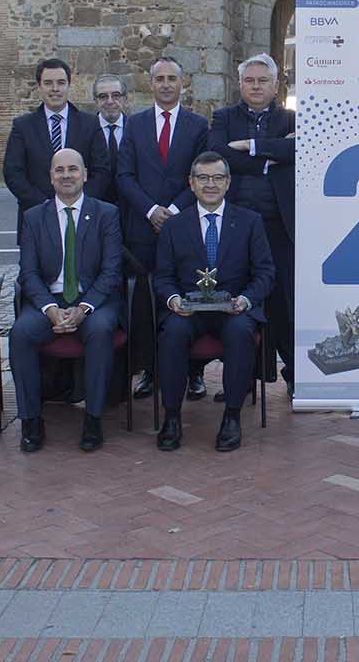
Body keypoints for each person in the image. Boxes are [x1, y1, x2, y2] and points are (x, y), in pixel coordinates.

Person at [153, 151, 275, 453]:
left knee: (239, 332)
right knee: (173, 333)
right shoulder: (173, 226)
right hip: (188, 310)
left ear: (228, 182)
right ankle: (171, 417)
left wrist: (246, 300)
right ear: (191, 183)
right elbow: (163, 276)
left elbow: (265, 272)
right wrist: (172, 300)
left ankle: (232, 416)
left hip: (233, 308)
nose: (211, 184)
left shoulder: (250, 222)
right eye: (203, 178)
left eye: (218, 178)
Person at [9, 148, 123, 454]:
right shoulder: (34, 217)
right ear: (51, 177)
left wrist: (84, 308)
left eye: (73, 169)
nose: (66, 175)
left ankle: (93, 418)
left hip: (94, 301)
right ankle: (31, 419)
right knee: (20, 333)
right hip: (50, 301)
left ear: (85, 175)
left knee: (100, 331)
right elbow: (29, 273)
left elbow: (112, 271)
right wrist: (50, 309)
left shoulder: (106, 213)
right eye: (59, 170)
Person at [117, 57, 209, 399]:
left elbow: (201, 175)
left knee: (190, 296)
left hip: (185, 226)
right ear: (150, 83)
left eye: (173, 78)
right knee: (146, 302)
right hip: (142, 229)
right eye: (160, 78)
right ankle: (151, 371)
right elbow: (124, 175)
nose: (166, 84)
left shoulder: (198, 126)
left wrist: (171, 210)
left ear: (182, 83)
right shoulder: (135, 125)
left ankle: (194, 372)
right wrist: (151, 210)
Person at [208, 54, 295, 396]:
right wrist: (269, 160)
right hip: (237, 229)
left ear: (276, 86)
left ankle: (294, 375)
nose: (256, 86)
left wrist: (252, 147)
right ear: (240, 84)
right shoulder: (223, 118)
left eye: (263, 81)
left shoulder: (292, 119)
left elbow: (300, 149)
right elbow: (218, 154)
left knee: (283, 304)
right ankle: (241, 381)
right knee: (239, 303)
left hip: (280, 227)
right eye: (250, 81)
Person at [2, 57, 111, 241]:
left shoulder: (90, 124)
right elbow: (13, 173)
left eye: (61, 83)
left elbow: (102, 171)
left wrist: (78, 203)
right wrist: (47, 205)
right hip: (37, 218)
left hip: (83, 218)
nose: (55, 89)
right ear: (39, 87)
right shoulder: (22, 126)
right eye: (48, 83)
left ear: (69, 85)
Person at [92, 74, 128, 210]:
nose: (110, 101)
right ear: (95, 101)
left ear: (125, 99)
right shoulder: (86, 131)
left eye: (116, 95)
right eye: (103, 96)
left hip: (131, 209)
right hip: (95, 209)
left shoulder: (137, 130)